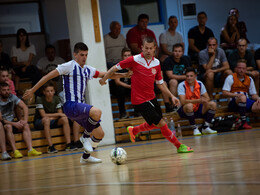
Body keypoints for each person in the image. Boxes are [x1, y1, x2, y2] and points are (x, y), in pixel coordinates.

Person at [23, 42, 130, 163]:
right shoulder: (68, 66)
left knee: (100, 134)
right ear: (75, 55)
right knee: (97, 112)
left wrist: (124, 74)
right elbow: (47, 77)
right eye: (81, 55)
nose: (84, 57)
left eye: (86, 55)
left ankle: (86, 157)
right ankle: (85, 137)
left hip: (80, 107)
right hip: (70, 105)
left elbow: (105, 74)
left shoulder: (88, 69)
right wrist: (32, 90)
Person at [100, 37, 193, 153]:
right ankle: (179, 146)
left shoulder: (157, 63)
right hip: (139, 100)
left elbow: (160, 83)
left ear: (154, 48)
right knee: (162, 124)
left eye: (150, 48)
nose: (148, 51)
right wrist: (104, 78)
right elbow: (114, 67)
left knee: (157, 123)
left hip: (151, 98)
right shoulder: (134, 59)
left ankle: (134, 130)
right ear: (142, 48)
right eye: (146, 48)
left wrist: (172, 96)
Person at [0, 82, 42, 157]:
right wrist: (15, 124)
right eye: (4, 90)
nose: (6, 92)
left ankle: (30, 150)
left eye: (8, 90)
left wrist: (24, 120)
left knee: (26, 125)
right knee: (8, 127)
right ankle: (15, 151)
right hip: (3, 124)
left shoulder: (12, 97)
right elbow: (1, 119)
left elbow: (25, 107)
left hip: (12, 122)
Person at [34, 81, 77, 153]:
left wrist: (54, 116)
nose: (50, 93)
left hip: (53, 119)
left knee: (64, 118)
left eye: (51, 91)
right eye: (47, 91)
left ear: (54, 91)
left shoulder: (56, 99)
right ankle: (51, 147)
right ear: (44, 92)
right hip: (40, 121)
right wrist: (58, 115)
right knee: (47, 120)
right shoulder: (40, 99)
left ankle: (68, 144)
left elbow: (60, 114)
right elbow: (43, 115)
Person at [177, 67, 218, 136]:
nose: (189, 78)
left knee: (213, 104)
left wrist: (204, 100)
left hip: (198, 107)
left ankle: (206, 127)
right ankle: (194, 128)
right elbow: (183, 102)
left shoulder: (200, 83)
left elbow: (207, 98)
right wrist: (198, 100)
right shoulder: (181, 85)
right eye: (187, 76)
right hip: (185, 110)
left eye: (191, 76)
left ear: (195, 76)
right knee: (189, 105)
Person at [222, 59, 260, 129]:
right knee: (242, 97)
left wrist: (258, 98)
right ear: (236, 69)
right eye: (239, 68)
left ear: (246, 70)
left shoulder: (249, 79)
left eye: (243, 68)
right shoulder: (231, 77)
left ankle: (245, 119)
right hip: (233, 103)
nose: (241, 70)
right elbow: (224, 92)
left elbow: (253, 94)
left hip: (245, 102)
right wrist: (236, 95)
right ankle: (244, 122)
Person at [10, 28, 41, 92]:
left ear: (26, 36)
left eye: (24, 35)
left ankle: (37, 89)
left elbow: (29, 61)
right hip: (18, 69)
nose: (22, 37)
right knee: (33, 70)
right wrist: (23, 63)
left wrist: (26, 66)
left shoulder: (31, 46)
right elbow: (14, 62)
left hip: (28, 68)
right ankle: (38, 89)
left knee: (34, 69)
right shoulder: (14, 48)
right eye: (20, 35)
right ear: (18, 37)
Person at [113, 47, 132, 119]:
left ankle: (138, 112)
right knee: (120, 89)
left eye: (129, 55)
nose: (127, 57)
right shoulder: (118, 66)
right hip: (119, 88)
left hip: (129, 87)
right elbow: (117, 82)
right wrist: (130, 86)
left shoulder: (134, 66)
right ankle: (122, 113)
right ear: (122, 57)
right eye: (125, 55)